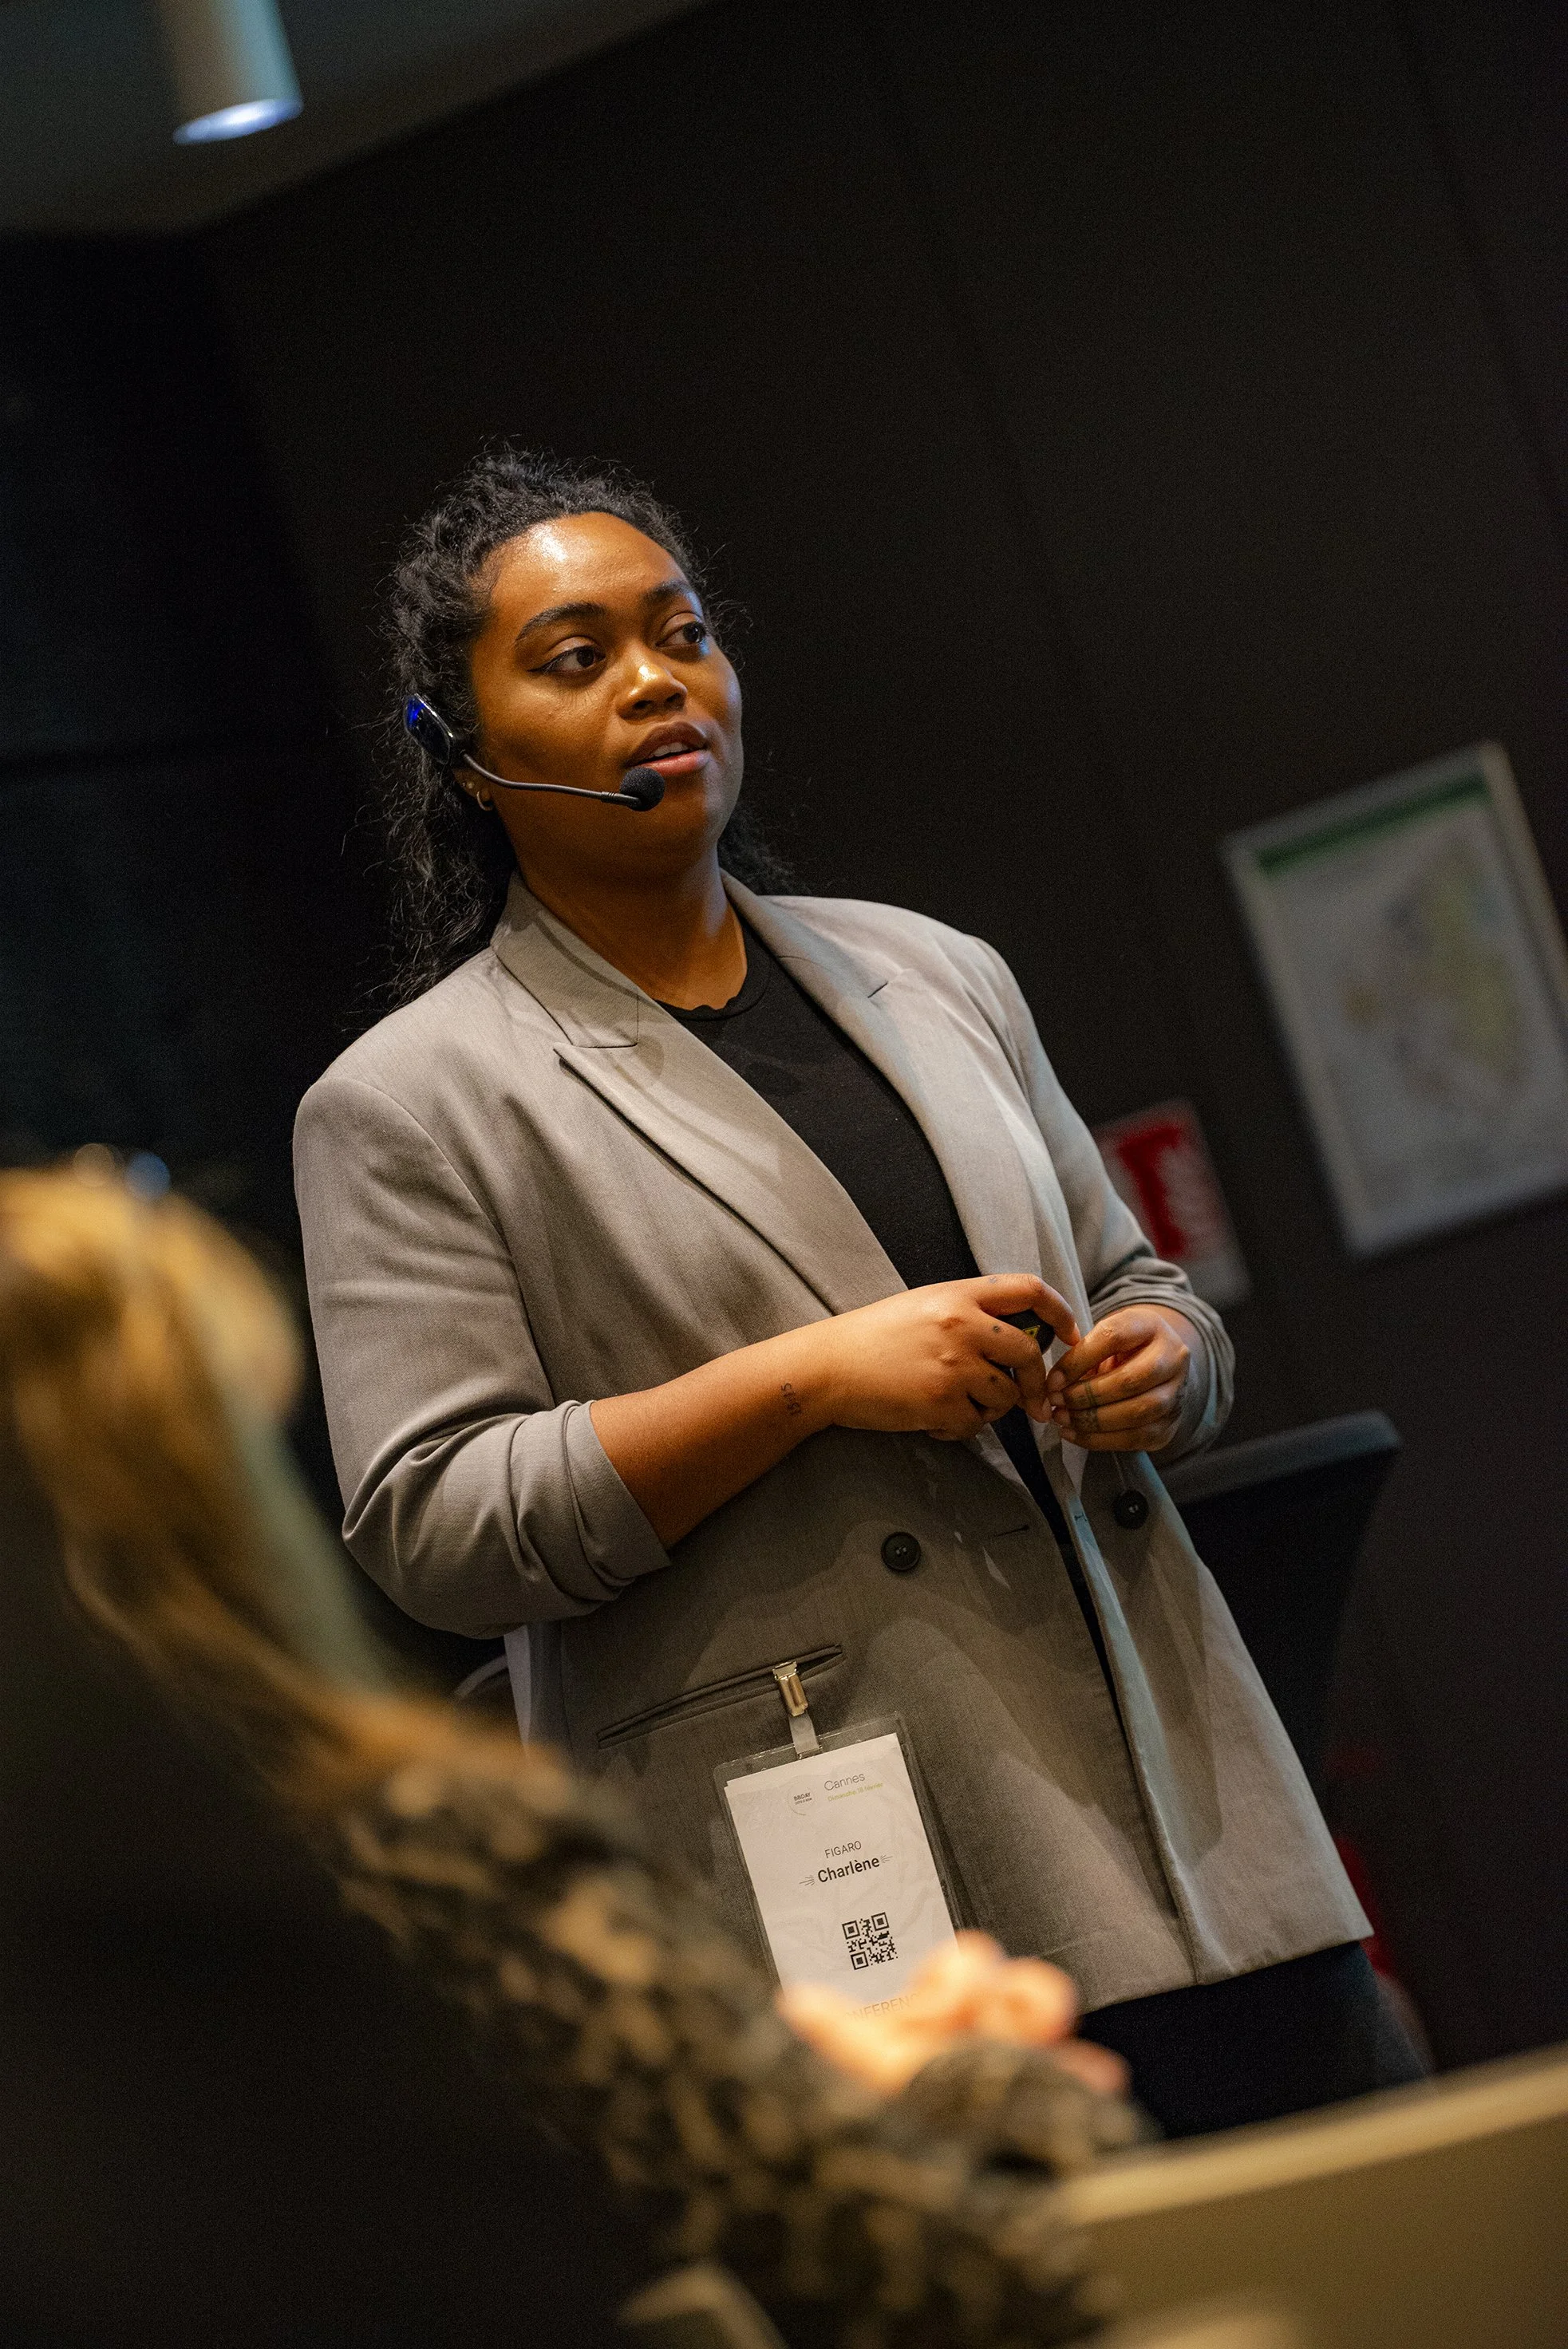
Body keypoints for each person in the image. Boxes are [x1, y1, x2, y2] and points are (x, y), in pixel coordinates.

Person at [295, 448, 1420, 2138]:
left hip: (1193, 1813)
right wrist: (807, 1378)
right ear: (458, 756)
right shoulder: (409, 1101)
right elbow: (435, 1526)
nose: (658, 680)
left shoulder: (931, 967)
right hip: (869, 1894)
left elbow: (1139, 1275)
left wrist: (1160, 1361)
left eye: (680, 633)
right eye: (575, 654)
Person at [0, 1162, 1141, 2349]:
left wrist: (800, 2075)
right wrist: (978, 2080)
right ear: (202, 1496)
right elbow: (979, 2281)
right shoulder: (425, 1859)